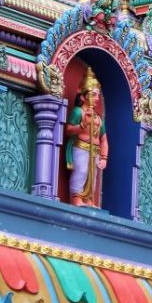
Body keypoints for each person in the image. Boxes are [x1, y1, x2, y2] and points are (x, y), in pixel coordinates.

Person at [64, 69, 108, 207]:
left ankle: (89, 199)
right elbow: (68, 130)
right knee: (81, 171)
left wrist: (104, 157)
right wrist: (82, 125)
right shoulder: (78, 112)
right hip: (81, 147)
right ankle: (76, 198)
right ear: (83, 96)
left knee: (92, 176)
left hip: (94, 150)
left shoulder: (98, 117)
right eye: (93, 95)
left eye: (97, 95)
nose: (96, 99)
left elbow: (104, 139)